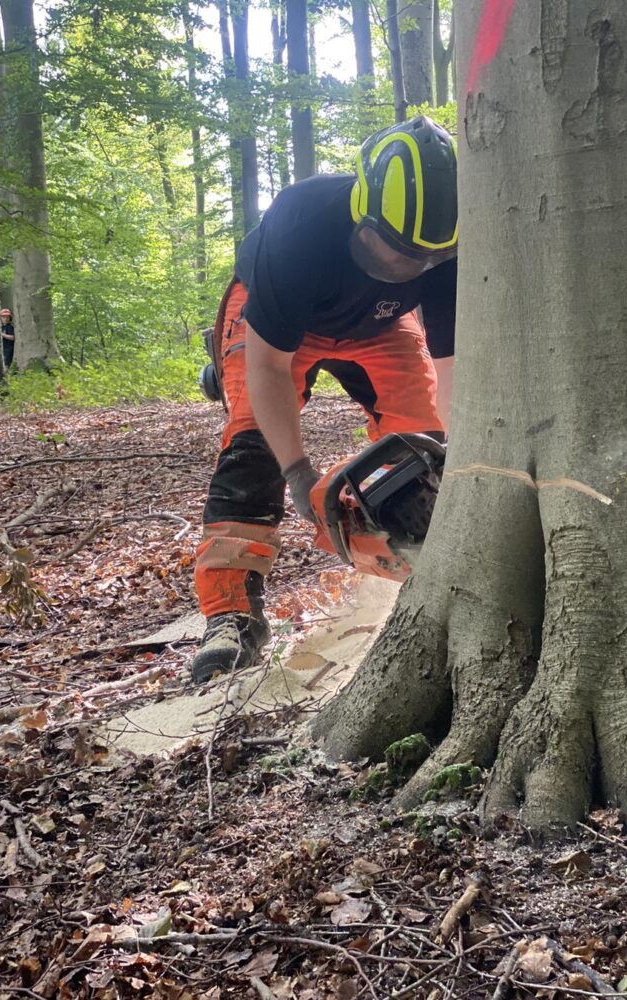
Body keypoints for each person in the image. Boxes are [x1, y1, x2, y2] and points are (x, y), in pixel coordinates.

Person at [191, 115, 457, 685]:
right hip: (280, 322)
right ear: (360, 208)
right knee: (252, 437)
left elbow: (451, 361)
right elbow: (268, 365)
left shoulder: (445, 246)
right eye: (388, 251)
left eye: (417, 260)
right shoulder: (301, 224)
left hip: (384, 326)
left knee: (427, 437)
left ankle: (427, 560)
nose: (400, 268)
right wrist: (296, 471)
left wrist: (454, 458)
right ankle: (231, 616)